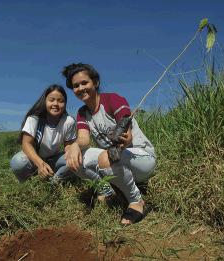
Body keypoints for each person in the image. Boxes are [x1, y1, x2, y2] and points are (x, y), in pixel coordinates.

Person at [62, 63, 156, 225]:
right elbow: (84, 139)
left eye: (84, 83)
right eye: (76, 86)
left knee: (107, 156)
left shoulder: (113, 99)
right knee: (71, 155)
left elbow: (126, 131)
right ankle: (106, 189)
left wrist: (125, 139)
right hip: (114, 158)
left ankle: (136, 201)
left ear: (95, 83)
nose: (80, 88)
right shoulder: (82, 113)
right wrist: (74, 146)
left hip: (142, 158)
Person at [10, 84, 76, 183]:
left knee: (75, 159)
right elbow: (26, 144)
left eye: (60, 101)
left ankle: (54, 182)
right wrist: (40, 164)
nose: (56, 104)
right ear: (45, 101)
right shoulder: (34, 119)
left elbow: (68, 145)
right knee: (18, 162)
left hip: (53, 160)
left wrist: (72, 155)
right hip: (34, 160)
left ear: (65, 103)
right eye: (51, 100)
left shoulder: (69, 121)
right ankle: (27, 183)